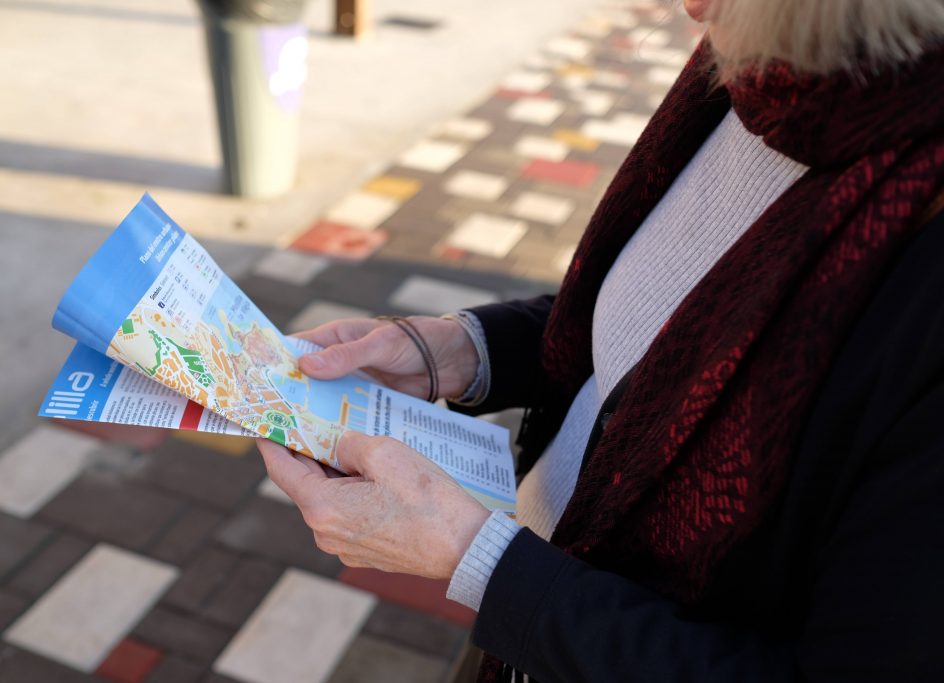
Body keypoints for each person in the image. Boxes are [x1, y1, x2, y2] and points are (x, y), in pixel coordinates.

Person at [257, 0, 944, 679]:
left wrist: (477, 557)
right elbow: (659, 331)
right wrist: (459, 353)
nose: (693, 7)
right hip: (529, 613)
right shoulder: (768, 73)